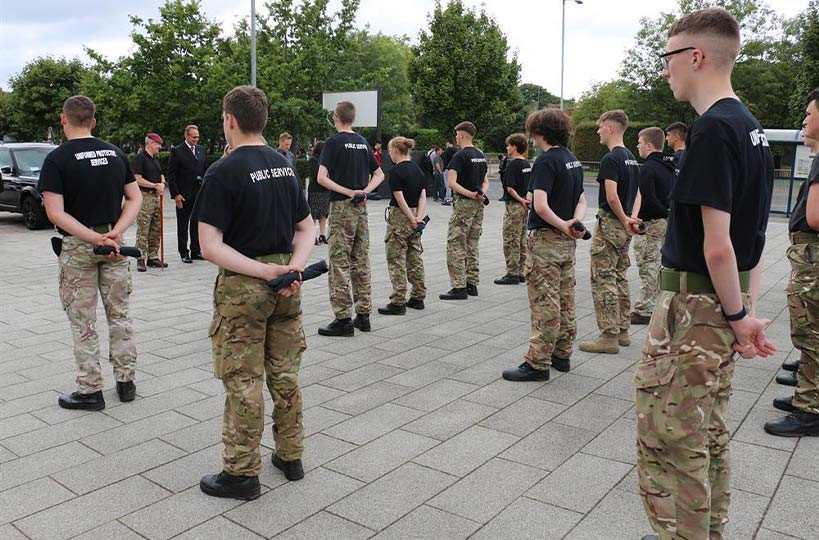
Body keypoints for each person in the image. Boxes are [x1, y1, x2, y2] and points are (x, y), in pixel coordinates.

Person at [636, 9, 776, 540]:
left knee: (670, 435)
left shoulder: (712, 129)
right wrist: (745, 311)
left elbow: (718, 247)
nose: (665, 70)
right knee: (707, 431)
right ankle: (705, 530)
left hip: (693, 308)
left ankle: (681, 533)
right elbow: (752, 240)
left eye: (668, 58)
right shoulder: (751, 127)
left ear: (695, 56)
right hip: (722, 305)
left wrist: (740, 317)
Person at [196, 85, 314, 501]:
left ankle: (242, 473)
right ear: (262, 121)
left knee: (243, 378)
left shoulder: (222, 172)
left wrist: (264, 269)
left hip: (246, 287)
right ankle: (291, 455)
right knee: (285, 374)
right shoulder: (285, 167)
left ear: (230, 120)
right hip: (289, 285)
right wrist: (295, 265)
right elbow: (308, 228)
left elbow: (210, 245)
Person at [38, 95, 142, 411]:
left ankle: (90, 390)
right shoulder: (114, 153)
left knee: (83, 321)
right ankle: (126, 383)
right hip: (115, 244)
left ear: (63, 119)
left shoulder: (57, 160)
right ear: (93, 121)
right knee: (120, 315)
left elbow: (56, 213)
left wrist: (93, 237)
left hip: (79, 246)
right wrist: (115, 232)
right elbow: (134, 198)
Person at [502, 109, 586, 382]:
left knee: (544, 301)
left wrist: (561, 224)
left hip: (546, 241)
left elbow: (539, 204)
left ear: (540, 132)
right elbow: (582, 199)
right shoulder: (572, 160)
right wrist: (574, 222)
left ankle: (537, 362)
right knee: (565, 297)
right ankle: (563, 354)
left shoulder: (545, 161)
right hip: (566, 243)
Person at [765, 89, 819, 436]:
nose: (804, 120)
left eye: (809, 113)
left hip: (813, 257)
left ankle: (810, 407)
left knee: (811, 332)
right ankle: (807, 394)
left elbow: (814, 217)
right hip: (809, 255)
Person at [316, 101, 385, 336]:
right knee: (360, 260)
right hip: (360, 208)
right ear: (353, 119)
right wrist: (364, 191)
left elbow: (321, 177)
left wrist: (348, 192)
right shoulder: (362, 142)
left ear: (336, 117)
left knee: (339, 262)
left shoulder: (333, 142)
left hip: (343, 206)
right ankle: (363, 315)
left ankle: (343, 318)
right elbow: (380, 173)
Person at [578, 110, 641, 354]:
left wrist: (624, 218)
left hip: (611, 224)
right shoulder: (631, 158)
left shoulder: (611, 160)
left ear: (611, 128)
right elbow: (637, 192)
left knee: (603, 278)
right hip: (624, 226)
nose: (598, 131)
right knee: (619, 276)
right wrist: (632, 218)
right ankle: (623, 329)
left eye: (600, 126)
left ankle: (608, 336)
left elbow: (612, 195)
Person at [629, 127, 675, 324]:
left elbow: (647, 197)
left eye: (640, 143)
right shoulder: (670, 165)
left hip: (651, 223)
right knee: (659, 264)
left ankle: (645, 309)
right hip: (666, 220)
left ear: (649, 145)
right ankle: (658, 304)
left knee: (648, 265)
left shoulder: (647, 168)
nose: (638, 146)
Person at [378, 137, 427, 315]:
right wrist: (418, 218)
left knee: (396, 258)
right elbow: (422, 196)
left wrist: (409, 218)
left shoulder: (395, 171)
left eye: (390, 150)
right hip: (416, 214)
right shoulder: (417, 170)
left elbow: (399, 198)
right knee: (414, 256)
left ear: (396, 150)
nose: (389, 153)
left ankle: (398, 301)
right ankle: (418, 296)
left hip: (400, 217)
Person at [440, 121, 488, 300]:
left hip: (464, 204)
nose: (456, 138)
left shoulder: (460, 156)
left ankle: (458, 286)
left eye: (457, 134)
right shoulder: (480, 155)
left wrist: (469, 194)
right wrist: (480, 194)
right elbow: (485, 181)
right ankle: (472, 283)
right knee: (472, 242)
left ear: (461, 135)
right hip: (478, 205)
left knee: (456, 243)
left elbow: (452, 183)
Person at [494, 133, 532, 285]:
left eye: (509, 145)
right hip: (524, 206)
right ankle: (522, 270)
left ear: (515, 147)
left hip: (514, 205)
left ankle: (512, 272)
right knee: (521, 238)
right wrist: (526, 200)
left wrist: (520, 200)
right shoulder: (526, 164)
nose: (507, 147)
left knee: (510, 239)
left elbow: (510, 188)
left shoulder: (513, 164)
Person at [168, 124, 207, 263]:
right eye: (193, 137)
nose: (196, 139)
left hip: (198, 193)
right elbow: (171, 175)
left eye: (197, 137)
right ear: (186, 136)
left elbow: (204, 170)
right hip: (183, 194)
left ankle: (196, 250)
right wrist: (176, 194)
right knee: (183, 224)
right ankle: (184, 252)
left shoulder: (201, 150)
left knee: (196, 223)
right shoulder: (177, 151)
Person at [134, 132, 168, 272]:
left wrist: (162, 183)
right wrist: (154, 185)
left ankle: (153, 256)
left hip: (155, 196)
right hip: (145, 196)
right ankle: (140, 257)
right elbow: (137, 178)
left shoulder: (155, 159)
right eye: (158, 144)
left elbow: (161, 174)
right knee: (144, 227)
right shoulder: (140, 158)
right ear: (150, 143)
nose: (159, 147)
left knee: (156, 227)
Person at [308, 141, 330, 245]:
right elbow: (316, 175)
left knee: (323, 214)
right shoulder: (313, 160)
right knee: (314, 214)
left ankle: (322, 235)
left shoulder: (326, 160)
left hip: (325, 190)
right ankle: (313, 236)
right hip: (316, 190)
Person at [440, 138, 458, 205]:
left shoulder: (447, 151)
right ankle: (455, 198)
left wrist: (444, 168)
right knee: (455, 184)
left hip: (447, 169)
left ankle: (447, 199)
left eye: (446, 143)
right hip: (455, 169)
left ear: (449, 143)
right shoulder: (457, 150)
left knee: (447, 184)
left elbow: (444, 160)